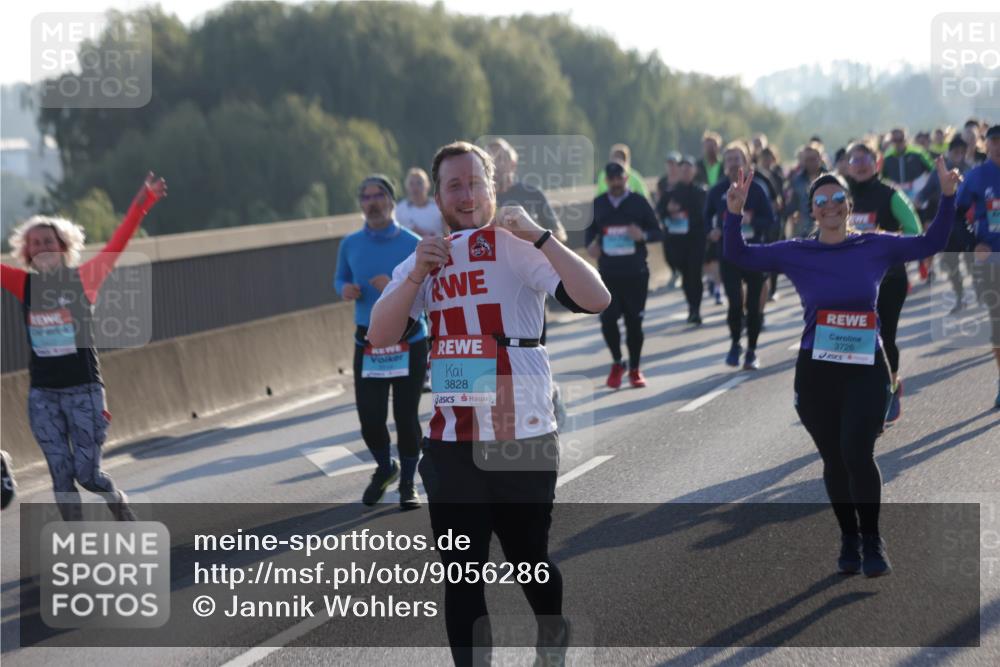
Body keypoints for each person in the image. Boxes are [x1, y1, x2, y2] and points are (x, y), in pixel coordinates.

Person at [368, 141, 610, 667]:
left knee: (529, 560)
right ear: (438, 197)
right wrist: (414, 278)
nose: (467, 194)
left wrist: (543, 237)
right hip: (452, 441)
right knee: (462, 574)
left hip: (520, 435)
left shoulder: (516, 244)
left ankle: (553, 631)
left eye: (475, 182)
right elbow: (380, 337)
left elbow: (597, 299)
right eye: (454, 185)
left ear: (492, 187)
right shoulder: (427, 256)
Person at [723, 158, 960, 577]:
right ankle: (848, 538)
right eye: (821, 201)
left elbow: (932, 242)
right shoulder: (797, 252)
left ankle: (872, 538)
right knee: (833, 459)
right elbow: (737, 253)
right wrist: (734, 212)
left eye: (837, 198)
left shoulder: (875, 244)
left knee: (857, 451)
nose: (829, 205)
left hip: (867, 367)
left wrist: (947, 196)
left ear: (848, 205)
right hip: (817, 372)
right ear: (811, 211)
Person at [1, 173, 166, 521]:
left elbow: (117, 244)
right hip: (43, 396)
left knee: (87, 475)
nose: (43, 246)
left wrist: (143, 203)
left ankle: (116, 499)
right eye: (36, 242)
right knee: (61, 476)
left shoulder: (85, 278)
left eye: (49, 240)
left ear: (63, 247)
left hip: (85, 392)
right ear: (26, 252)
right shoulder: (22, 283)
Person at [335, 174, 428, 509]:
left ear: (391, 201)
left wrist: (392, 286)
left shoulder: (413, 243)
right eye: (365, 197)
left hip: (409, 339)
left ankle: (407, 485)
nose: (371, 203)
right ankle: (386, 467)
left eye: (378, 196)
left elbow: (426, 291)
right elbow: (340, 277)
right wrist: (344, 289)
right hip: (369, 342)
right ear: (361, 204)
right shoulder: (350, 244)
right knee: (370, 418)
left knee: (406, 416)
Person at [844, 141, 922, 424]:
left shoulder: (890, 194)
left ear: (876, 163)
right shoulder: (840, 197)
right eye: (855, 159)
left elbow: (915, 230)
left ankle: (890, 387)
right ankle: (864, 395)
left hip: (889, 279)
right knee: (856, 338)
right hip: (852, 281)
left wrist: (885, 240)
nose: (860, 164)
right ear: (847, 165)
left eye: (866, 159)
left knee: (884, 336)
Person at [587, 161, 664, 388]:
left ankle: (635, 369)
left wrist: (642, 235)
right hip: (608, 273)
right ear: (606, 181)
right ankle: (617, 362)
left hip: (635, 273)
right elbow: (589, 236)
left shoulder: (639, 202)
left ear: (626, 178)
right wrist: (592, 246)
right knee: (608, 320)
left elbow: (658, 232)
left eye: (619, 178)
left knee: (634, 323)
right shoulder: (598, 204)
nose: (615, 182)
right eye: (611, 179)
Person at [705, 142, 777, 370]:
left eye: (738, 159)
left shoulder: (758, 189)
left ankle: (752, 351)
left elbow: (770, 219)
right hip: (729, 254)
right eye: (729, 159)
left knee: (754, 304)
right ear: (724, 165)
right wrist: (712, 231)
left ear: (746, 162)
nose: (734, 163)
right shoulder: (717, 191)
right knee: (735, 303)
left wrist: (751, 221)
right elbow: (706, 218)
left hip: (754, 252)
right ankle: (736, 343)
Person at [955, 124, 1000, 408]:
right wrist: (973, 245)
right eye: (995, 141)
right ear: (987, 144)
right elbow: (956, 216)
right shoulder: (977, 176)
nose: (999, 146)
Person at [657, 155, 707, 324]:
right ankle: (691, 306)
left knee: (695, 274)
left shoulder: (701, 192)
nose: (685, 172)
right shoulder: (670, 193)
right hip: (677, 242)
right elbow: (659, 213)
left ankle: (696, 309)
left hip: (696, 240)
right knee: (686, 276)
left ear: (694, 171)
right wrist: (669, 211)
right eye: (682, 169)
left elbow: (706, 214)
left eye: (688, 169)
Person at [785, 141, 827, 238]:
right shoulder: (796, 181)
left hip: (825, 229)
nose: (810, 163)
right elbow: (791, 208)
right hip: (804, 231)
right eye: (807, 160)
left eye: (813, 159)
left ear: (820, 158)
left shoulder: (830, 179)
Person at [396, 167, 444, 238]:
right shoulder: (400, 209)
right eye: (411, 184)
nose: (415, 188)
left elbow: (447, 233)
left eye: (419, 183)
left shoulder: (439, 207)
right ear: (406, 186)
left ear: (427, 185)